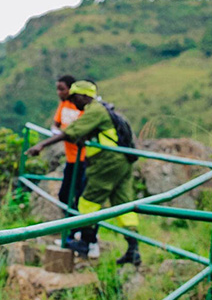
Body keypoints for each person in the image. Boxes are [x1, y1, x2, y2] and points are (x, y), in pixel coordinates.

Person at [25, 80, 141, 265]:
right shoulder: (102, 109)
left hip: (108, 163)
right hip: (122, 161)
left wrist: (41, 145)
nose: (74, 102)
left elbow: (70, 131)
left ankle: (85, 243)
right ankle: (133, 249)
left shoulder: (94, 110)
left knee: (88, 201)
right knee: (124, 204)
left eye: (75, 97)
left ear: (85, 96)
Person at [51, 75, 87, 208]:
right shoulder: (63, 104)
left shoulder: (82, 106)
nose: (59, 93)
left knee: (79, 195)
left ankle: (76, 227)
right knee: (64, 195)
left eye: (62, 89)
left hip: (83, 158)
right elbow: (56, 123)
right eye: (58, 89)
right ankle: (71, 226)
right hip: (70, 158)